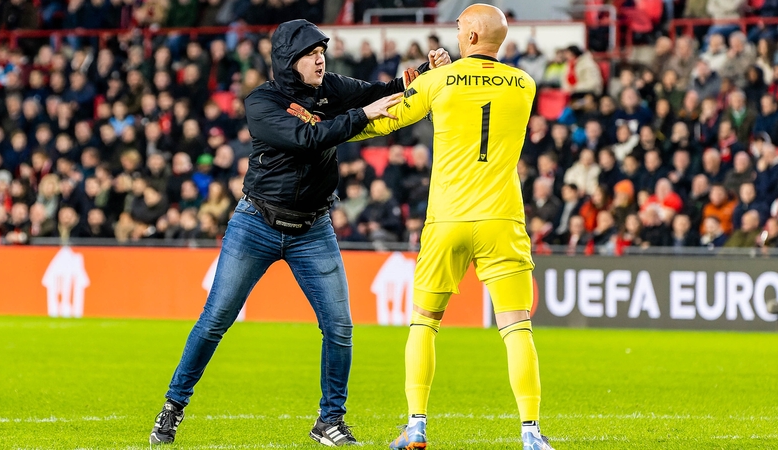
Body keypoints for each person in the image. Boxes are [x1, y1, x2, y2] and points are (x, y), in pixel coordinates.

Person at [148, 19, 451, 447]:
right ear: (289, 61)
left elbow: (381, 90)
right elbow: (307, 138)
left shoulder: (332, 87)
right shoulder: (262, 102)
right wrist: (361, 116)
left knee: (340, 328)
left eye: (322, 52)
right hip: (256, 223)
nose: (320, 60)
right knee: (215, 320)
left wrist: (426, 70)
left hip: (313, 228)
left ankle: (330, 421)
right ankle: (173, 405)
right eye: (311, 54)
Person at [349, 4, 553, 449]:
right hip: (502, 218)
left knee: (424, 323)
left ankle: (417, 426)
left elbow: (384, 119)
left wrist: (332, 131)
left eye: (460, 28)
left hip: (448, 219)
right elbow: (479, 94)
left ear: (473, 37)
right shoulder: (525, 84)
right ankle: (531, 433)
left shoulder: (438, 82)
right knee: (517, 327)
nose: (456, 34)